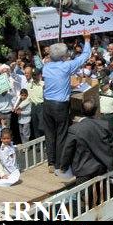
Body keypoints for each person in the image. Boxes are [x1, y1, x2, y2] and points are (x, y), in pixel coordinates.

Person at [43, 32, 92, 173]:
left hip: (47, 104)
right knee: (61, 134)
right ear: (63, 56)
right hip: (60, 106)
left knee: (49, 134)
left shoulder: (46, 66)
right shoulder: (66, 66)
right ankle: (59, 164)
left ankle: (50, 162)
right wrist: (87, 40)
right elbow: (84, 56)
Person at [60, 99, 113, 185]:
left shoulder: (74, 129)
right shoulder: (104, 125)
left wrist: (64, 167)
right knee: (101, 193)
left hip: (83, 169)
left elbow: (68, 150)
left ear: (81, 110)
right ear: (95, 111)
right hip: (101, 166)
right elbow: (111, 146)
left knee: (85, 196)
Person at [26, 68, 44, 138]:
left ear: (40, 75)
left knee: (42, 127)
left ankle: (45, 143)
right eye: (33, 75)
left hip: (42, 106)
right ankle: (39, 145)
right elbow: (28, 98)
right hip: (33, 107)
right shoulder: (29, 85)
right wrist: (19, 106)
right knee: (35, 126)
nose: (34, 77)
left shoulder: (43, 85)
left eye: (35, 75)